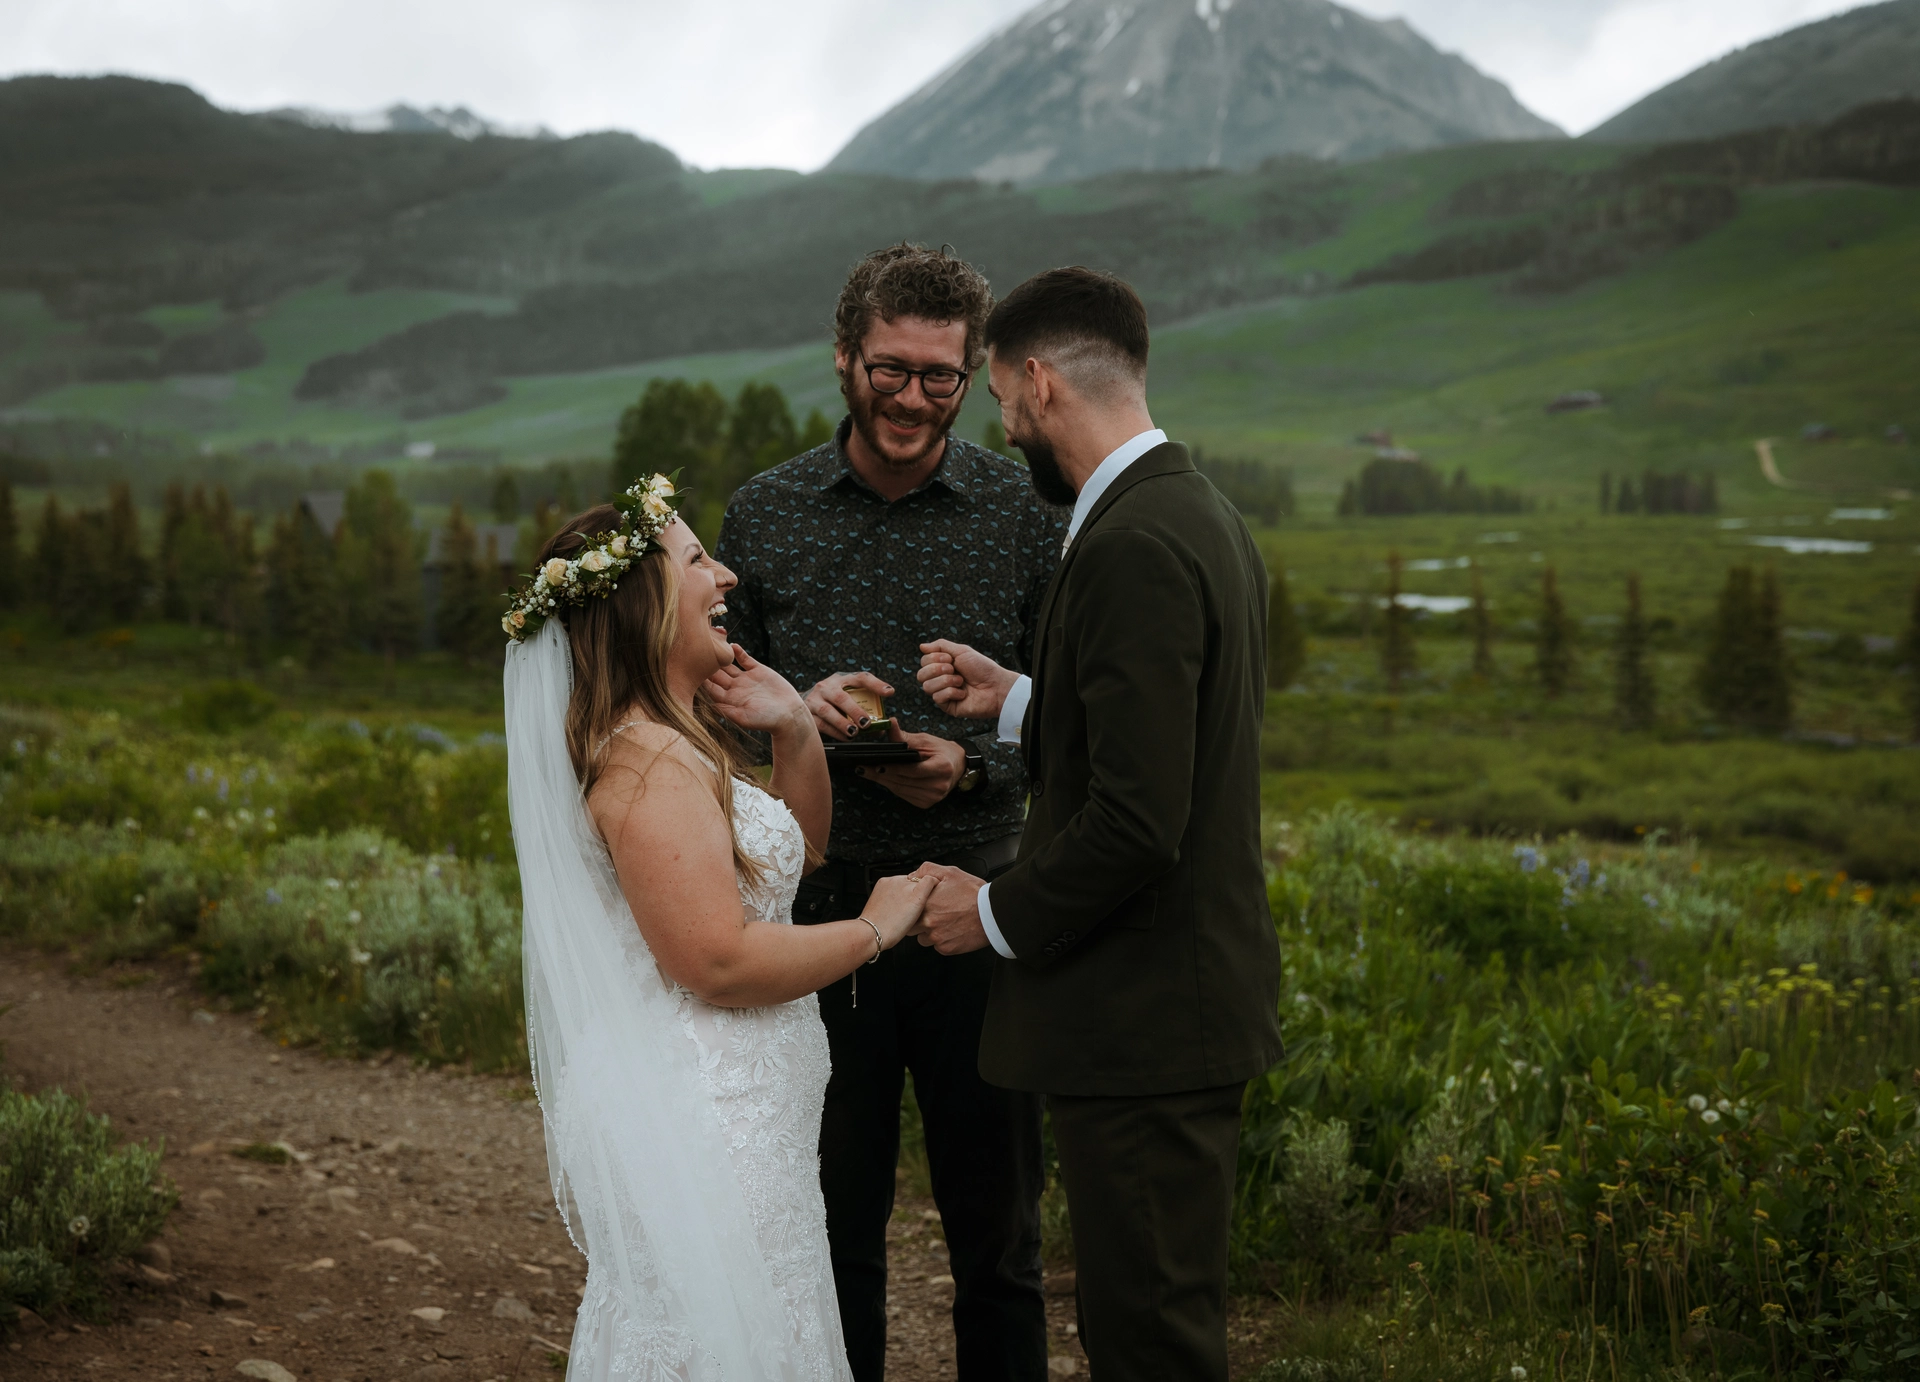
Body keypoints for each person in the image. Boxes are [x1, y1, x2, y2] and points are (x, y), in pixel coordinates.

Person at [913, 267, 1286, 1382]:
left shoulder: (1125, 540)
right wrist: (1022, 696)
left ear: (1037, 382)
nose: (1004, 425)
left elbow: (1137, 816)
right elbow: (1166, 731)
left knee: (1151, 1337)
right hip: (1169, 1007)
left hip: (1147, 1018)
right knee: (1145, 1318)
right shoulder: (1191, 508)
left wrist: (992, 911)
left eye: (997, 400)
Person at [716, 244, 1063, 1382]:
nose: (912, 397)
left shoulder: (1024, 509)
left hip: (981, 912)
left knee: (1000, 1239)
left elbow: (1078, 720)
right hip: (820, 920)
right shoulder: (763, 514)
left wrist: (963, 774)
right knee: (830, 1233)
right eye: (890, 369)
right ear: (843, 360)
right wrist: (787, 720)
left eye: (940, 377)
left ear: (969, 377)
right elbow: (707, 716)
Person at [502, 475, 935, 1381]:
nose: (726, 575)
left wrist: (795, 733)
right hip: (704, 1112)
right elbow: (718, 958)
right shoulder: (647, 762)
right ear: (641, 606)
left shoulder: (672, 734)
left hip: (742, 1106)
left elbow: (791, 859)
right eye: (698, 560)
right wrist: (876, 930)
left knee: (759, 1325)